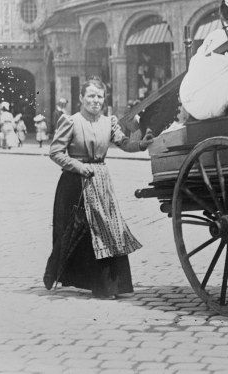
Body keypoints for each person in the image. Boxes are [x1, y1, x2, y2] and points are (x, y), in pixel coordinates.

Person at [43, 77, 154, 299]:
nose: (96, 101)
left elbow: (124, 143)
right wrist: (78, 166)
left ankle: (113, 285)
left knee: (108, 229)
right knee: (82, 232)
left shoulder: (108, 122)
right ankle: (94, 284)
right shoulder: (70, 121)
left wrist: (141, 142)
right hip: (75, 183)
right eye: (91, 96)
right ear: (81, 98)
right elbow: (56, 152)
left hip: (101, 182)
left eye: (100, 96)